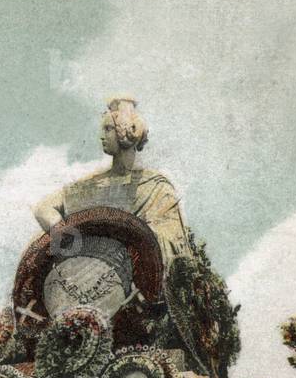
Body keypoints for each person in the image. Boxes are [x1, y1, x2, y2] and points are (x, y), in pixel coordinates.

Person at [33, 96, 191, 268]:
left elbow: (170, 238)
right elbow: (43, 209)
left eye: (108, 129)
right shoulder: (88, 184)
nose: (101, 136)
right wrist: (73, 241)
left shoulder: (155, 186)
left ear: (125, 134)